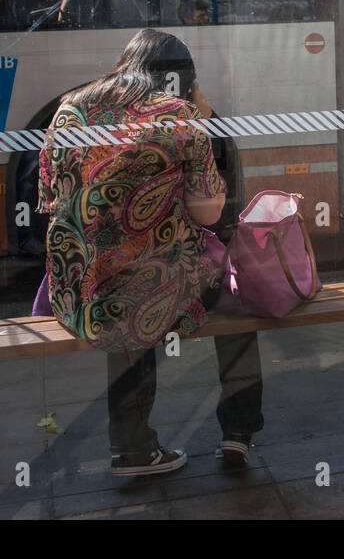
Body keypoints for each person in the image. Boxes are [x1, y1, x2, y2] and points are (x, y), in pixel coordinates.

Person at [38, 29, 263, 475]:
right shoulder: (179, 116)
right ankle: (238, 433)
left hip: (79, 290)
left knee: (122, 290)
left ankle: (133, 446)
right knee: (236, 304)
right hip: (151, 286)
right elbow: (208, 212)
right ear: (184, 79)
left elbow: (49, 196)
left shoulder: (69, 109)